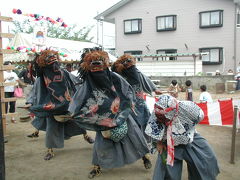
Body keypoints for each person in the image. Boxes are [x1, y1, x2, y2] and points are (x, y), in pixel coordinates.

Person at [68, 48, 151, 179]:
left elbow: (128, 90)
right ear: (89, 68)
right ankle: (97, 166)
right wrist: (74, 111)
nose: (96, 68)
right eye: (93, 65)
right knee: (100, 144)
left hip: (122, 112)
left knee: (134, 136)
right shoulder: (89, 81)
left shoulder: (114, 77)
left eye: (99, 64)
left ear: (105, 64)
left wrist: (129, 104)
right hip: (102, 118)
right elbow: (80, 96)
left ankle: (145, 157)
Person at [26, 49, 94, 160]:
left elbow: (75, 82)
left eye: (55, 60)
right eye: (50, 61)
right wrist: (30, 102)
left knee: (76, 121)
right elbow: (36, 91)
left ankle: (86, 136)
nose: (54, 64)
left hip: (67, 103)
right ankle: (50, 150)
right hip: (51, 106)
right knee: (51, 127)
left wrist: (85, 85)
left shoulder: (64, 72)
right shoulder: (42, 78)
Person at [145, 94, 220, 180]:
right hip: (168, 143)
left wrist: (181, 129)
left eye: (164, 117)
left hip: (190, 138)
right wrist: (159, 142)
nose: (161, 119)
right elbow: (154, 128)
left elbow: (198, 118)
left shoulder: (190, 109)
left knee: (206, 159)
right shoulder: (157, 112)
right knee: (167, 172)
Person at [111, 54, 162, 144]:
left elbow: (144, 78)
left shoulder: (121, 72)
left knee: (137, 122)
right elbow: (144, 78)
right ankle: (140, 141)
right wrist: (155, 89)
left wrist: (155, 89)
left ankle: (138, 141)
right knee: (139, 122)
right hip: (133, 102)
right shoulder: (129, 71)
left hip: (131, 102)